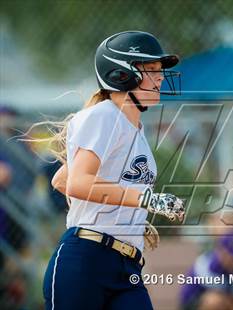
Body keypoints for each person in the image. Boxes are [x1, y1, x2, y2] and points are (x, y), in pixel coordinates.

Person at [31, 31, 185, 310]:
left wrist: (127, 216)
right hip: (87, 261)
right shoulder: (103, 115)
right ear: (121, 74)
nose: (160, 77)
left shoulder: (134, 129)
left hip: (126, 267)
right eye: (151, 69)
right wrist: (145, 200)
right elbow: (78, 182)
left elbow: (61, 179)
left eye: (159, 70)